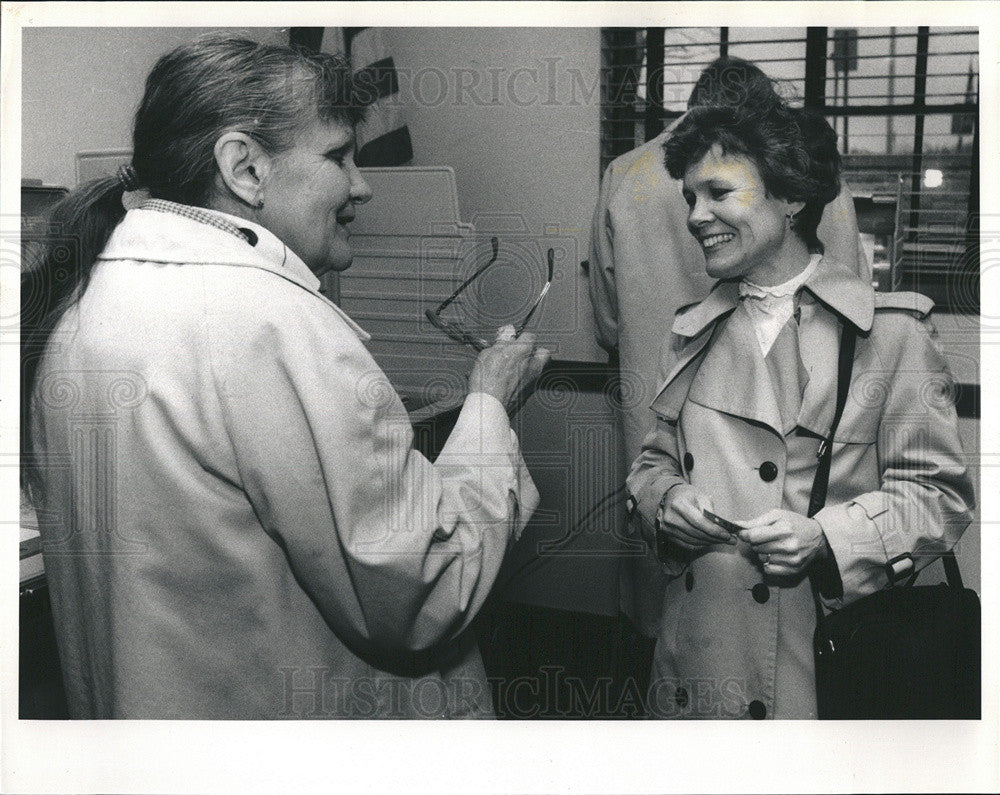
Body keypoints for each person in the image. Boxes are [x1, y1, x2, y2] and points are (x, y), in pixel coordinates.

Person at [21, 36, 548, 719]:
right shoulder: (272, 323)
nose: (361, 185)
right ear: (245, 168)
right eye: (336, 156)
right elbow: (424, 589)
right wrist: (489, 407)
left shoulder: (83, 299)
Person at [625, 97, 974, 719]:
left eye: (718, 193)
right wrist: (666, 503)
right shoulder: (690, 330)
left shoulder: (889, 335)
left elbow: (938, 498)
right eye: (689, 198)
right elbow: (652, 465)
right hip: (695, 657)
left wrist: (825, 537)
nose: (697, 216)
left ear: (790, 198)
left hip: (813, 667)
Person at [588, 58, 871, 638]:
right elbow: (855, 293)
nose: (700, 215)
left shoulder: (625, 175)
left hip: (668, 397)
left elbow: (608, 318)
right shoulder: (817, 179)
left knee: (677, 617)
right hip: (779, 419)